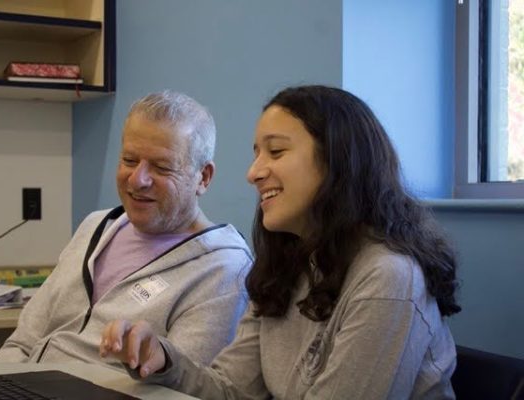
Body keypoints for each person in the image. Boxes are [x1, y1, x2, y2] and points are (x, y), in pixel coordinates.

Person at [100, 85, 461, 399]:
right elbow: (231, 390)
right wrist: (163, 359)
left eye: (275, 152)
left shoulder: (389, 277)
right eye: (257, 153)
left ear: (337, 162)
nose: (253, 172)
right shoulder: (286, 266)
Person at [0, 90, 252, 369]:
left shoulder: (223, 271)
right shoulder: (95, 227)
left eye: (161, 167)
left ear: (203, 177)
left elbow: (179, 388)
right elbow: (22, 342)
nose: (138, 179)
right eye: (129, 160)